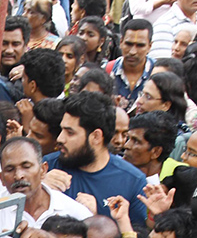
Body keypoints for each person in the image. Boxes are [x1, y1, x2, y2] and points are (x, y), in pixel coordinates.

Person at [0, 136, 93, 238]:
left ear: (43, 170)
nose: (19, 175)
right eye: (10, 169)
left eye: (26, 167)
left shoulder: (75, 211)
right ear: (1, 178)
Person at [45, 91, 148, 222]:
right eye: (61, 130)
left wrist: (95, 221)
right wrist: (38, 189)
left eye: (70, 133)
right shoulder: (47, 167)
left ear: (96, 137)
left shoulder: (132, 181)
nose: (60, 138)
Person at [105, 19, 154, 108]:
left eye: (140, 45)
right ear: (121, 42)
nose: (132, 51)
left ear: (149, 46)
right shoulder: (107, 71)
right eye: (129, 44)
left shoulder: (158, 73)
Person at [124, 110, 177, 180]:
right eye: (128, 138)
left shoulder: (178, 180)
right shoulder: (114, 170)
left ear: (156, 152)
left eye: (136, 141)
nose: (126, 145)